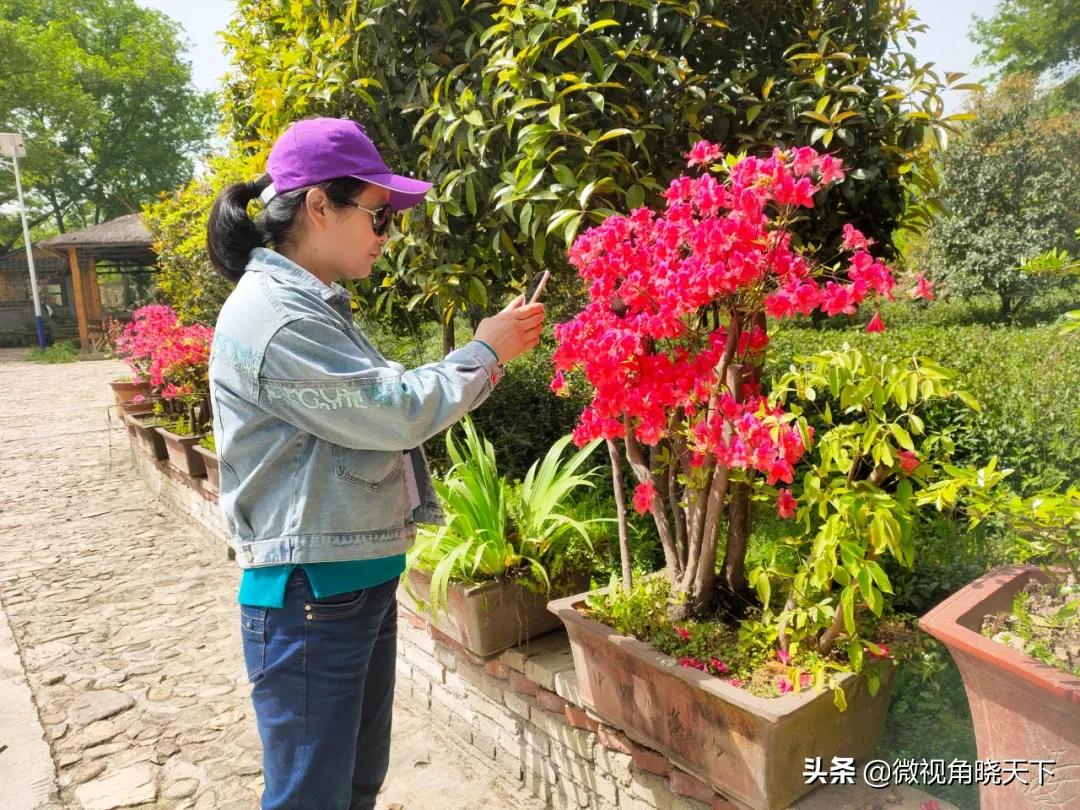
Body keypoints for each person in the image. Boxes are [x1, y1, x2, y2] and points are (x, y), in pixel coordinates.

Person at [205, 117, 544, 810]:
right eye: (379, 215)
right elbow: (391, 411)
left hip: (343, 583)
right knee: (312, 797)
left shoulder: (307, 303)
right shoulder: (280, 317)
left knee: (353, 785)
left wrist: (487, 355)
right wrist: (486, 352)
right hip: (310, 595)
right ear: (319, 206)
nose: (387, 234)